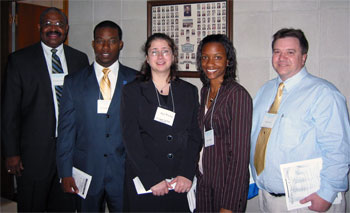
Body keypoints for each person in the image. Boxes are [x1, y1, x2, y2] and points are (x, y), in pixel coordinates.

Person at [250, 28, 350, 212]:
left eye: (290, 52)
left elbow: (338, 148)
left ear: (303, 57)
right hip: (267, 197)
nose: (282, 58)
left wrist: (326, 194)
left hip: (308, 201)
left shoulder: (324, 94)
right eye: (277, 52)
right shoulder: (265, 91)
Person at [1, 7, 89, 212]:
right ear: (39, 27)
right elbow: (9, 111)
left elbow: (84, 106)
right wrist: (11, 152)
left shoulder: (79, 59)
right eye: (48, 23)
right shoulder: (20, 60)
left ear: (66, 29)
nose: (53, 28)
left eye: (59, 24)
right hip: (34, 153)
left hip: (70, 151)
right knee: (32, 204)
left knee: (65, 204)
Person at [56, 20, 137, 212]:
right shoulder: (73, 82)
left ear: (120, 44)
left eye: (112, 41)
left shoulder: (136, 80)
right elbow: (66, 130)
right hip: (86, 170)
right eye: (100, 41)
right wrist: (65, 172)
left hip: (123, 171)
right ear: (93, 44)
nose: (106, 47)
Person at [121, 33, 201, 212]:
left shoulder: (189, 91)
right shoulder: (132, 91)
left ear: (173, 57)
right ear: (147, 58)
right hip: (145, 180)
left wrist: (186, 173)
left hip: (179, 182)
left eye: (165, 51)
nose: (160, 56)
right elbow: (130, 139)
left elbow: (195, 136)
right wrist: (151, 178)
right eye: (154, 51)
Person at [195, 34, 252, 212]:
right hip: (204, 181)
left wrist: (229, 205)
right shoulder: (205, 91)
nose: (210, 63)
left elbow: (239, 157)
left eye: (217, 57)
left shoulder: (237, 95)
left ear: (228, 61)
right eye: (205, 57)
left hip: (226, 186)